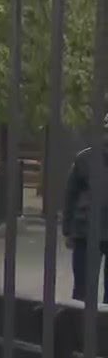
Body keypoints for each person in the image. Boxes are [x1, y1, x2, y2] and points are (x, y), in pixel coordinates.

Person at [63, 112, 108, 305]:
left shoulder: (85, 157)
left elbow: (70, 195)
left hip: (86, 228)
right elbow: (70, 195)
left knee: (83, 290)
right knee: (82, 290)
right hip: (86, 230)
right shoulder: (85, 158)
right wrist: (68, 230)